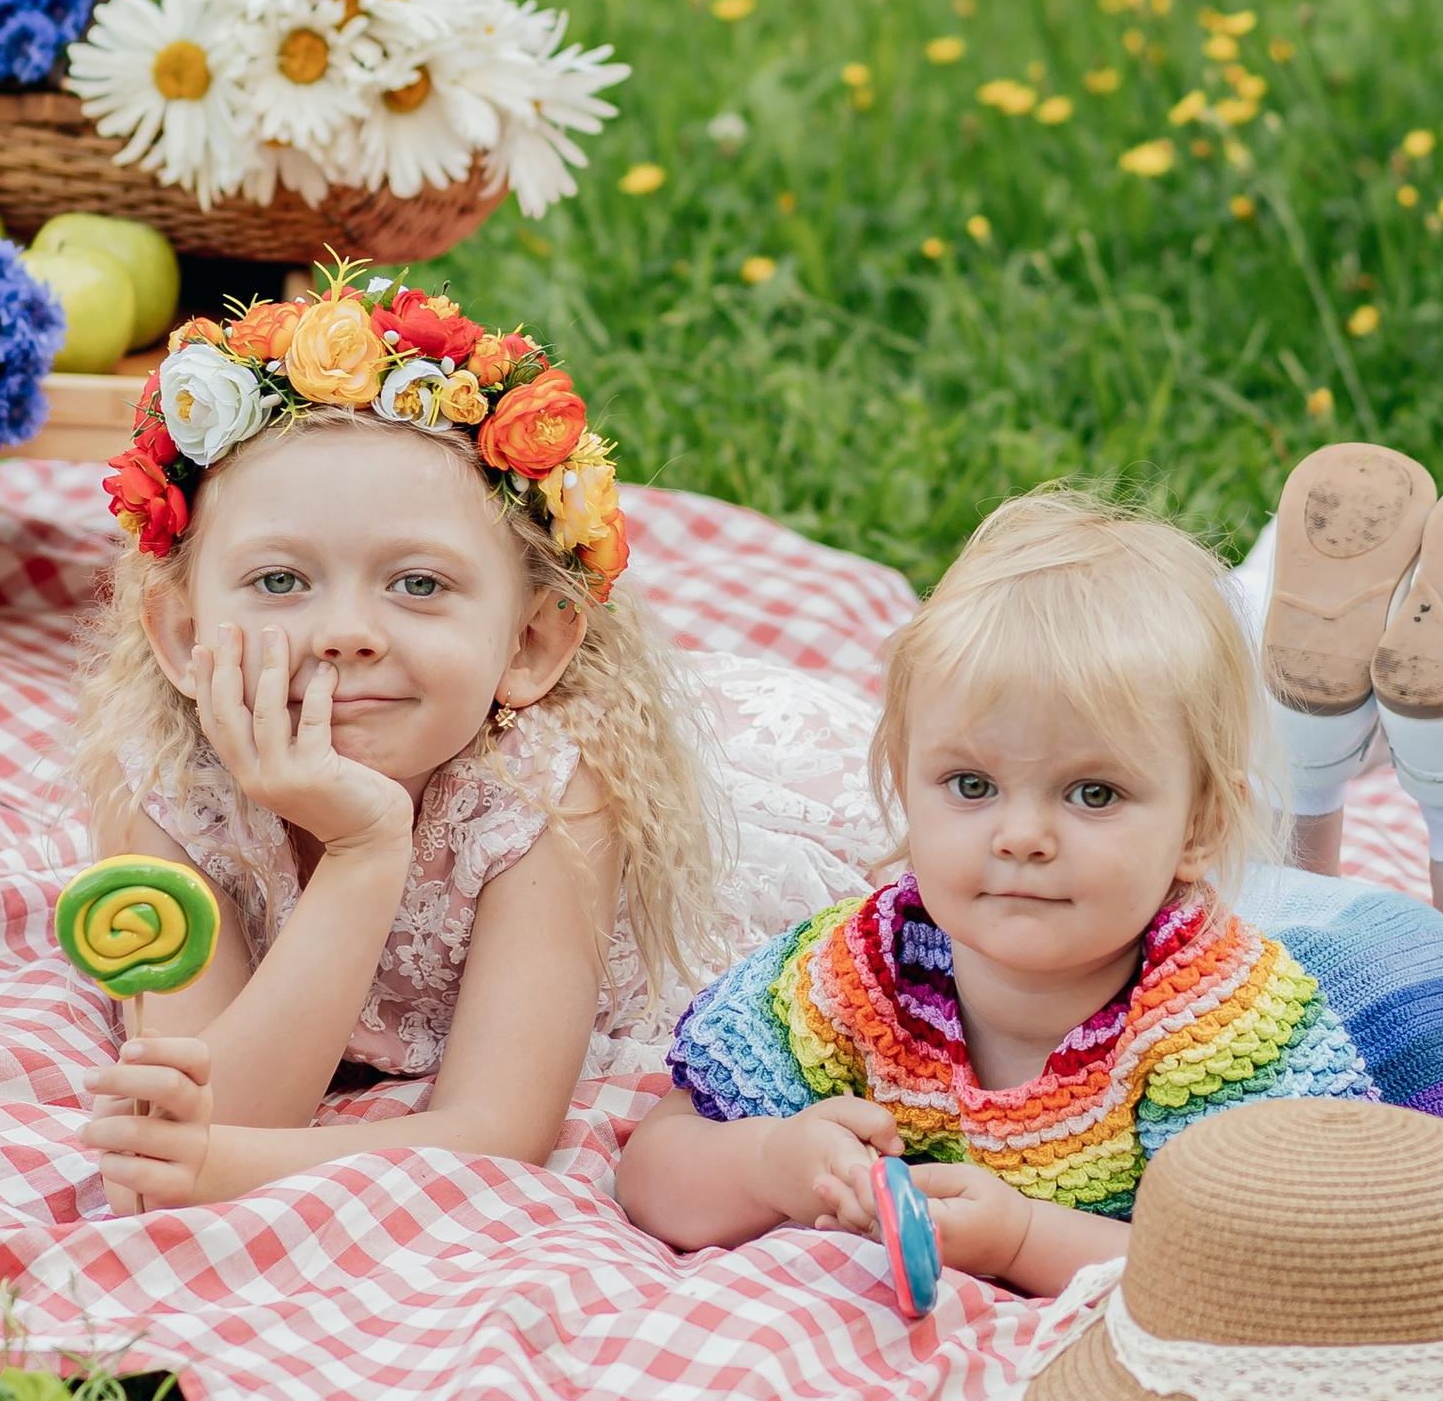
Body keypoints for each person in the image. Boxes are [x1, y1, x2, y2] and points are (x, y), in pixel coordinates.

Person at [617, 454, 1443, 1297]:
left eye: (1091, 793)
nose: (1022, 835)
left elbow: (1266, 1272)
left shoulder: (1227, 1033)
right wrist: (769, 1163)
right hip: (1236, 895)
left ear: (1201, 827)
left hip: (1398, 991)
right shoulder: (862, 972)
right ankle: (1303, 748)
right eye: (970, 783)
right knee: (1249, 864)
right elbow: (657, 1171)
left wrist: (1024, 1239)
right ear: (901, 786)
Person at [70, 267, 865, 1211]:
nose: (345, 633)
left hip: (763, 796)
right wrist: (201, 1153)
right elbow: (221, 1112)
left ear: (529, 644)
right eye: (281, 581)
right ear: (181, 635)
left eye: (419, 584)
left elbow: (497, 1126)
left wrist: (365, 845)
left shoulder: (551, 788)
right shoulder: (163, 781)